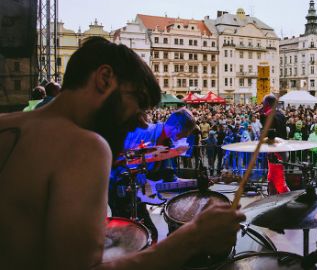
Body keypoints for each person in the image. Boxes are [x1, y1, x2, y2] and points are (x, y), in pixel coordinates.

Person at [0, 37, 245, 270]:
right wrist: (192, 237)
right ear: (105, 79)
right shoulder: (84, 147)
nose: (141, 123)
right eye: (138, 101)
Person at [108, 108, 195, 242]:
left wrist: (195, 183)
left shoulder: (169, 145)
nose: (184, 138)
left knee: (148, 234)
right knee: (127, 236)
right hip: (119, 187)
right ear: (177, 128)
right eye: (184, 134)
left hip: (138, 194)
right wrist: (133, 171)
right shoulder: (144, 132)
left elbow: (170, 177)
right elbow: (116, 157)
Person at [259, 94, 290, 195]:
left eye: (263, 103)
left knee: (280, 183)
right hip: (282, 148)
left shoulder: (269, 115)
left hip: (275, 151)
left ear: (267, 104)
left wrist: (262, 118)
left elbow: (267, 135)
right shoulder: (281, 114)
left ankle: (288, 200)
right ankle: (272, 198)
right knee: (271, 178)